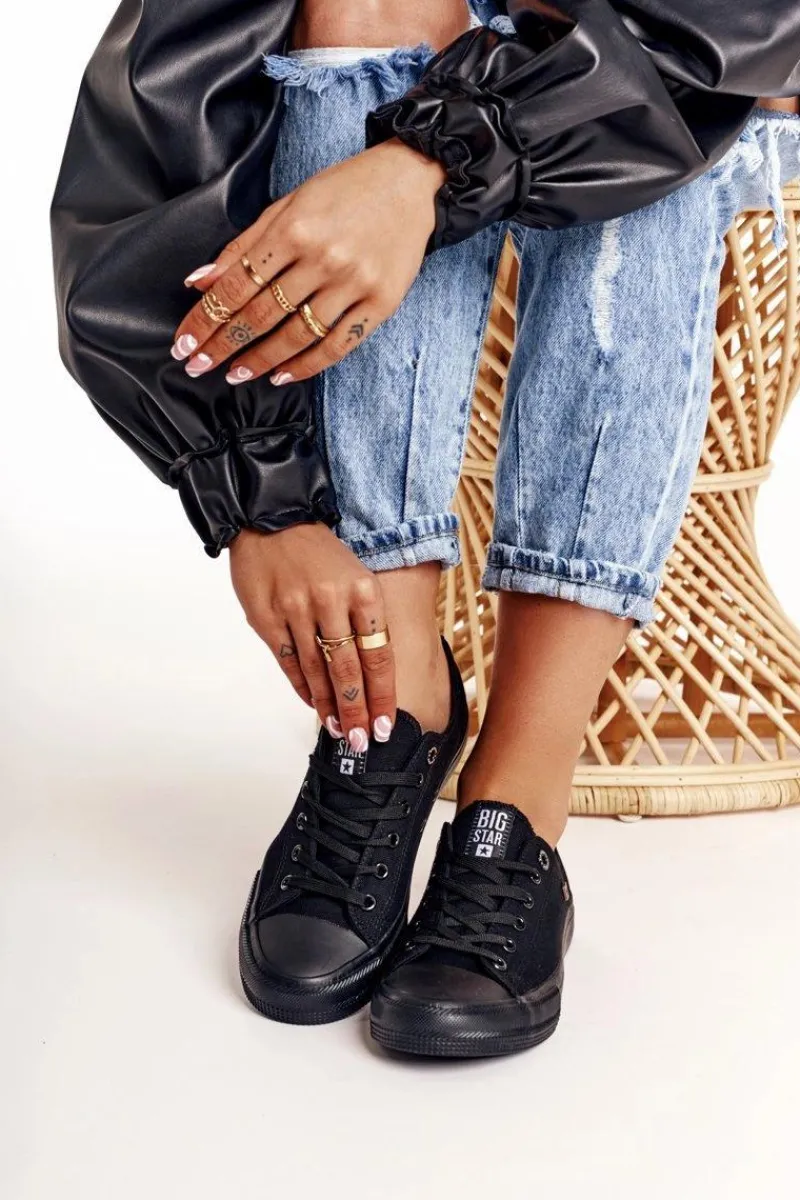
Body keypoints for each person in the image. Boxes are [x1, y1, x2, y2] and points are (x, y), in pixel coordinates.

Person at [52, 0, 800, 1057]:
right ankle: (391, 711)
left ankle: (518, 798)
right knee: (364, 3)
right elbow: (155, 113)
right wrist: (256, 494)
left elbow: (719, 32)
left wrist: (424, 164)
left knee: (623, 66)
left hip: (720, 68)